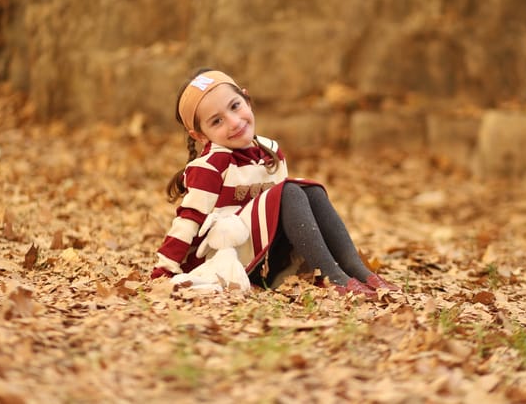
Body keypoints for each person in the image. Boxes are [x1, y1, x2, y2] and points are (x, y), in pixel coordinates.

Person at [151, 68, 399, 297]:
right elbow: (189, 220)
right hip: (231, 263)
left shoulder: (269, 150)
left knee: (309, 191)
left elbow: (289, 216)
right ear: (200, 135)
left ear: (247, 99)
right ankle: (333, 278)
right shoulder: (210, 166)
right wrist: (164, 270)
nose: (234, 122)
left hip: (270, 258)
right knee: (289, 191)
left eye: (235, 106)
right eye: (217, 121)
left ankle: (356, 269)